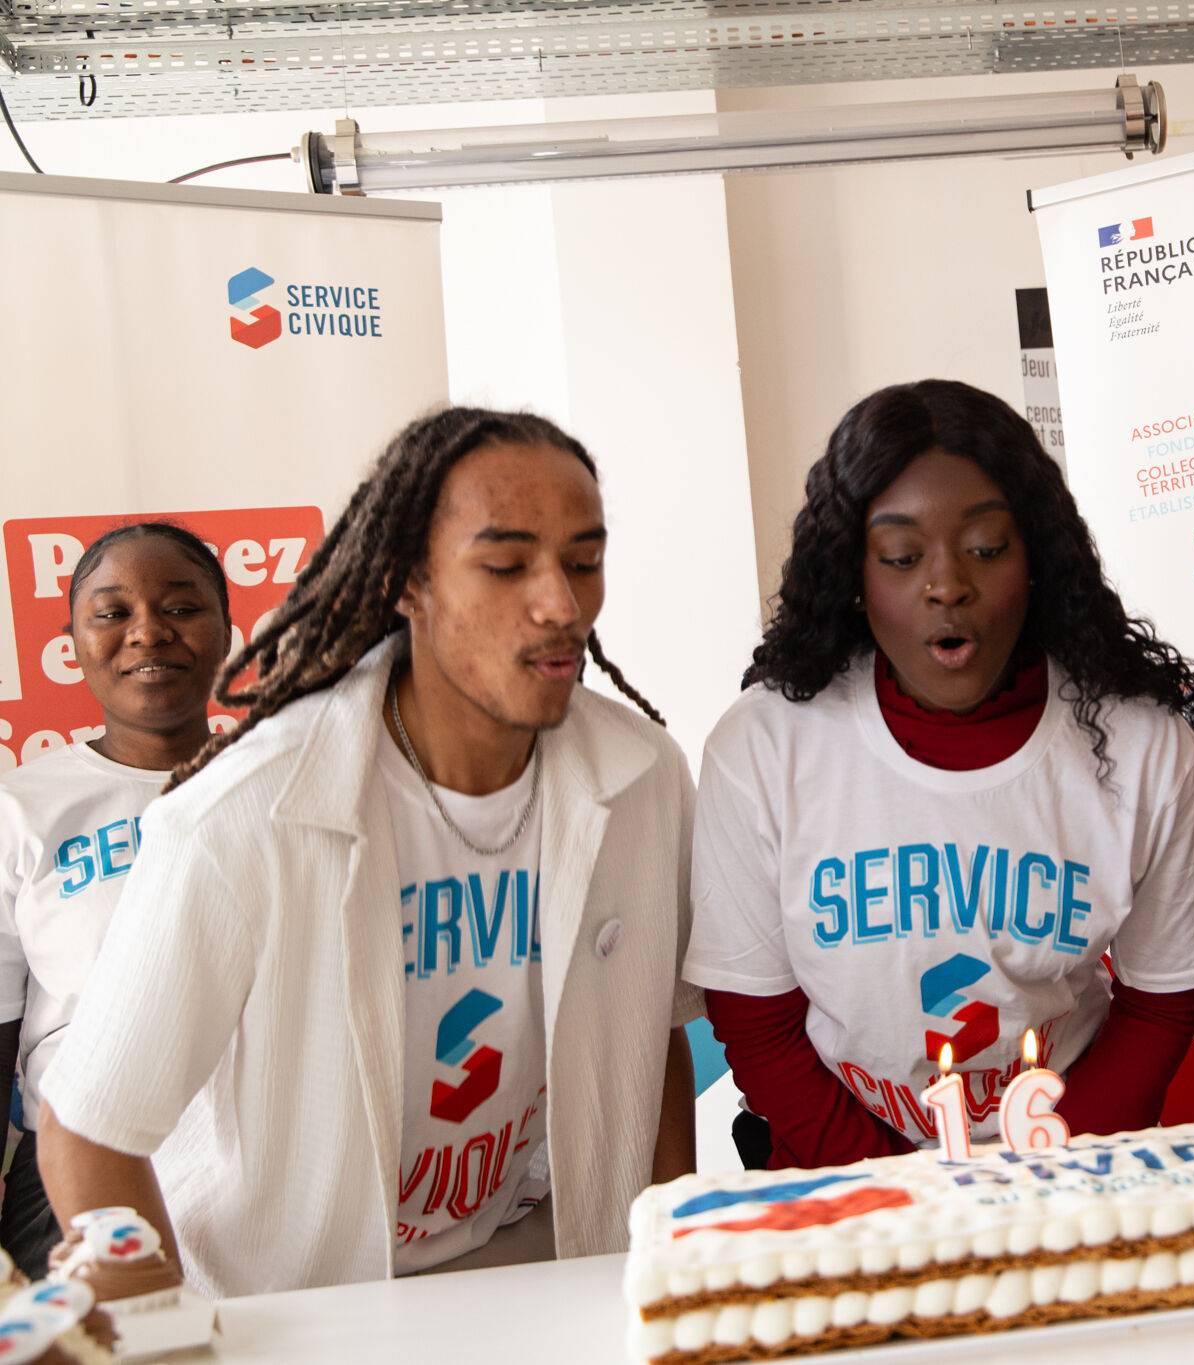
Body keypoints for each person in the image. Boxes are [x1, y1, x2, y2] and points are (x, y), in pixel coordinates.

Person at [36, 408, 698, 1296]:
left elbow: (652, 1044)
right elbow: (87, 1130)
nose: (561, 605)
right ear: (406, 583)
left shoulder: (641, 774)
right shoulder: (248, 813)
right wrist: (164, 1337)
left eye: (584, 561)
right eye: (505, 566)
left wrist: (662, 1279)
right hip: (293, 1309)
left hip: (542, 1269)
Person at [686, 379, 1194, 1170]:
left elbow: (1161, 1003)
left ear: (1038, 557)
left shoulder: (1145, 746)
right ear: (853, 573)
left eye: (984, 548)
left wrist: (1047, 1180)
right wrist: (892, 1192)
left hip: (1070, 1158)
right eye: (903, 556)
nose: (947, 585)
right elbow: (756, 1017)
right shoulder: (763, 747)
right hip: (843, 1169)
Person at [0, 524, 232, 1274]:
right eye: (112, 612)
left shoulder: (279, 777)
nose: (148, 633)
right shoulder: (21, 807)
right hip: (74, 1168)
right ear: (73, 640)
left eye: (181, 606)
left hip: (257, 1159)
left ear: (227, 628)